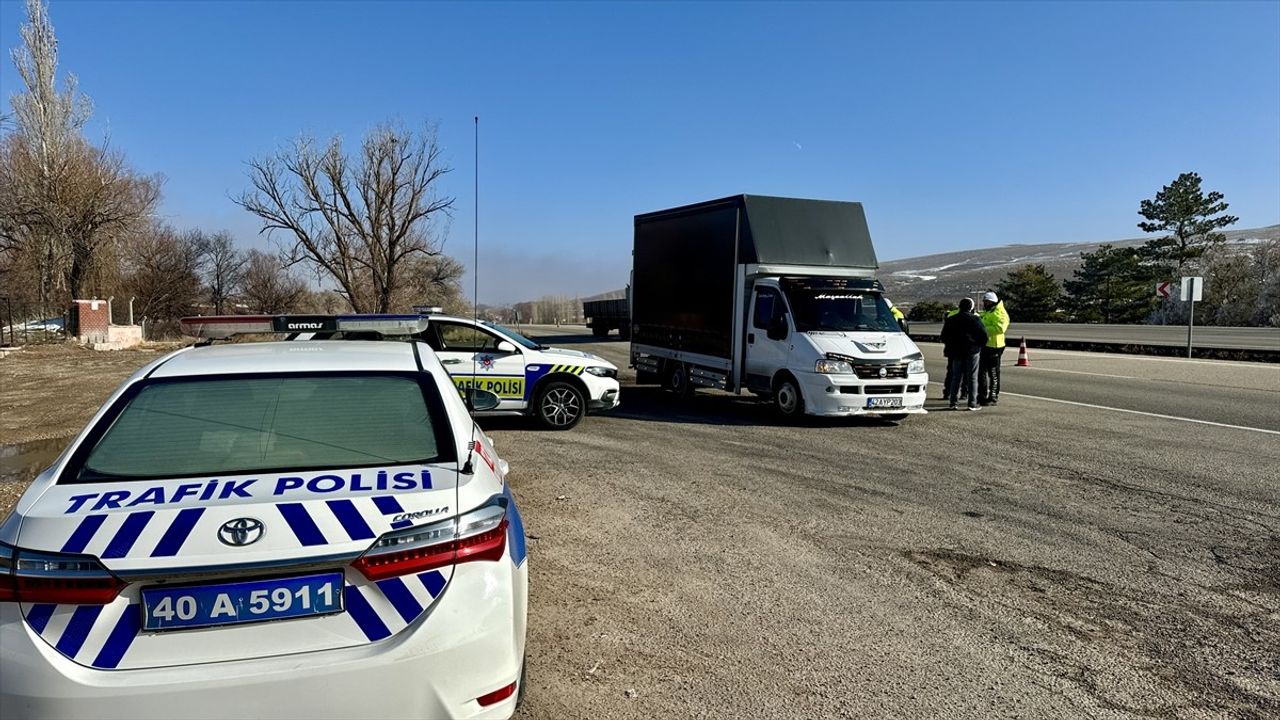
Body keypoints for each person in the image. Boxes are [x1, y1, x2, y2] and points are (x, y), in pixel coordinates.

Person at [940, 298, 987, 410]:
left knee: (956, 377)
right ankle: (972, 403)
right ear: (971, 307)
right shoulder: (975, 319)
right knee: (972, 377)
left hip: (956, 352)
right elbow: (983, 336)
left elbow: (944, 336)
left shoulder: (951, 319)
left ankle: (953, 403)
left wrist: (951, 346)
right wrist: (977, 345)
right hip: (972, 351)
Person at [978, 290, 1010, 406]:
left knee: (993, 373)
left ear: (991, 302)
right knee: (981, 372)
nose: (984, 304)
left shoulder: (1000, 313)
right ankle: (981, 395)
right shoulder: (989, 312)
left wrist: (982, 330)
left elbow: (1000, 328)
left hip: (995, 346)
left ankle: (993, 396)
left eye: (986, 302)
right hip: (985, 345)